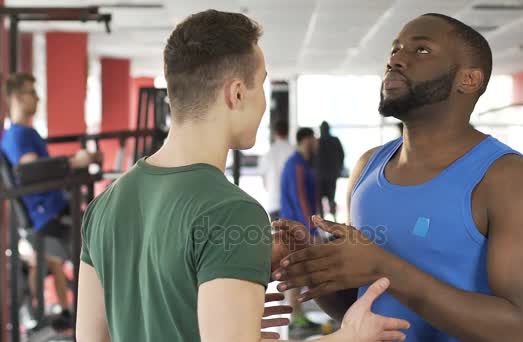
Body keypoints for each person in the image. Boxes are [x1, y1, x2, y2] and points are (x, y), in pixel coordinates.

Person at [76, 10, 410, 342]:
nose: (264, 102)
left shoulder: (103, 206)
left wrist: (222, 296)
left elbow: (93, 337)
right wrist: (349, 336)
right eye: (262, 84)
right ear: (236, 93)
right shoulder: (232, 211)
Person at [272, 13, 523, 342]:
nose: (396, 59)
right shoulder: (367, 168)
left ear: (468, 79)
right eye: (395, 49)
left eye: (421, 50)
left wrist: (384, 267)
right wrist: (314, 264)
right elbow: (365, 308)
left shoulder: (511, 181)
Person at [1, 73, 102, 329]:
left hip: (54, 208)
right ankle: (92, 320)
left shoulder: (25, 132)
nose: (37, 98)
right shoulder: (16, 135)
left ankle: (67, 312)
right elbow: (29, 169)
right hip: (47, 215)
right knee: (96, 253)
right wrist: (73, 161)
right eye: (31, 93)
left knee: (56, 261)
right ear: (16, 98)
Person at [278, 127, 322, 337]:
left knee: (298, 273)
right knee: (294, 274)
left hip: (300, 227)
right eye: (314, 139)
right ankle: (296, 321)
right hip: (296, 229)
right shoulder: (296, 164)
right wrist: (311, 229)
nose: (316, 142)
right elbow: (300, 199)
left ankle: (298, 317)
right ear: (306, 140)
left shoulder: (303, 164)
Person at [258, 119, 294, 221]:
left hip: (273, 201)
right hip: (291, 203)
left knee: (277, 235)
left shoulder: (268, 153)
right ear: (288, 131)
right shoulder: (294, 151)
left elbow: (264, 183)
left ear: (274, 133)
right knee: (292, 235)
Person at [316, 121, 344, 221]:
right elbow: (341, 156)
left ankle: (325, 220)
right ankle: (332, 220)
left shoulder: (318, 141)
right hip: (330, 175)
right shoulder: (335, 141)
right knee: (330, 199)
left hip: (322, 176)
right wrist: (338, 169)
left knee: (323, 200)